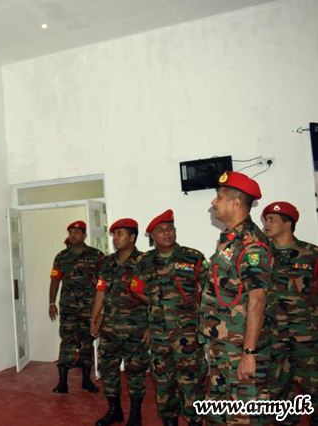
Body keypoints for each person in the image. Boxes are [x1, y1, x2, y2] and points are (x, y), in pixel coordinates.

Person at [198, 171, 272, 426]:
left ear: (235, 203)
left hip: (239, 348)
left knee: (244, 416)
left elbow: (257, 299)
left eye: (219, 197)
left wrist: (249, 353)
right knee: (217, 414)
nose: (213, 202)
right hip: (222, 347)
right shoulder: (230, 239)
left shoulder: (251, 245)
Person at [132, 209, 207, 426]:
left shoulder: (194, 257)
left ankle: (195, 420)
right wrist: (155, 305)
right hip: (159, 337)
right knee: (164, 384)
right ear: (152, 236)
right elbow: (136, 289)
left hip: (189, 335)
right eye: (161, 230)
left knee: (192, 383)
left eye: (170, 228)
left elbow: (209, 290)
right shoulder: (144, 261)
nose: (167, 233)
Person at [263, 201, 318, 426]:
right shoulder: (261, 256)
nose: (267, 224)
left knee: (313, 389)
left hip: (307, 337)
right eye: (266, 220)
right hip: (273, 337)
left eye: (272, 220)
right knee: (277, 393)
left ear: (288, 224)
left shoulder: (311, 254)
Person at [91, 218, 148, 426]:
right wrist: (94, 318)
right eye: (114, 234)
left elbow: (154, 297)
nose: (115, 238)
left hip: (136, 329)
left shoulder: (144, 262)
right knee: (108, 370)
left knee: (136, 373)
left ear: (132, 237)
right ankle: (114, 410)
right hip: (109, 328)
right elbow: (100, 290)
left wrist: (151, 326)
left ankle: (135, 414)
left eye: (120, 234)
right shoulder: (108, 262)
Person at [49, 220, 104, 394]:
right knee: (67, 342)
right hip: (68, 308)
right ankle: (62, 383)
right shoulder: (61, 256)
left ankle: (86, 381)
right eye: (71, 232)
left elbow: (103, 283)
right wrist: (51, 302)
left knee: (87, 343)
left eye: (77, 232)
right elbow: (55, 280)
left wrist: (101, 309)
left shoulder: (96, 255)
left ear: (84, 235)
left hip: (89, 308)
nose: (73, 235)